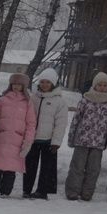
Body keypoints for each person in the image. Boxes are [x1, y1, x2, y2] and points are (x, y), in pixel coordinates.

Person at [64, 72, 107, 201]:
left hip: (98, 143)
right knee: (77, 167)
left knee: (93, 170)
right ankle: (72, 191)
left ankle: (87, 192)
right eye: (99, 84)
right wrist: (71, 137)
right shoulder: (85, 100)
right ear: (94, 85)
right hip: (82, 140)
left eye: (105, 85)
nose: (102, 87)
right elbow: (76, 119)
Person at [0, 73, 36, 197]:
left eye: (19, 84)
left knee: (10, 169)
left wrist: (27, 142)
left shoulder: (28, 103)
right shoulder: (2, 100)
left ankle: (5, 191)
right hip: (1, 139)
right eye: (14, 84)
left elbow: (31, 124)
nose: (16, 86)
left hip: (17, 142)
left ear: (24, 86)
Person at [23, 68, 67, 199]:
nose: (44, 84)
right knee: (29, 166)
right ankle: (26, 189)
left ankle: (42, 191)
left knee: (47, 168)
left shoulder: (59, 101)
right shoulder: (33, 98)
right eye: (42, 82)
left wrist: (56, 141)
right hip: (33, 139)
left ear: (53, 83)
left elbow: (61, 123)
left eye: (48, 82)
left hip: (49, 140)